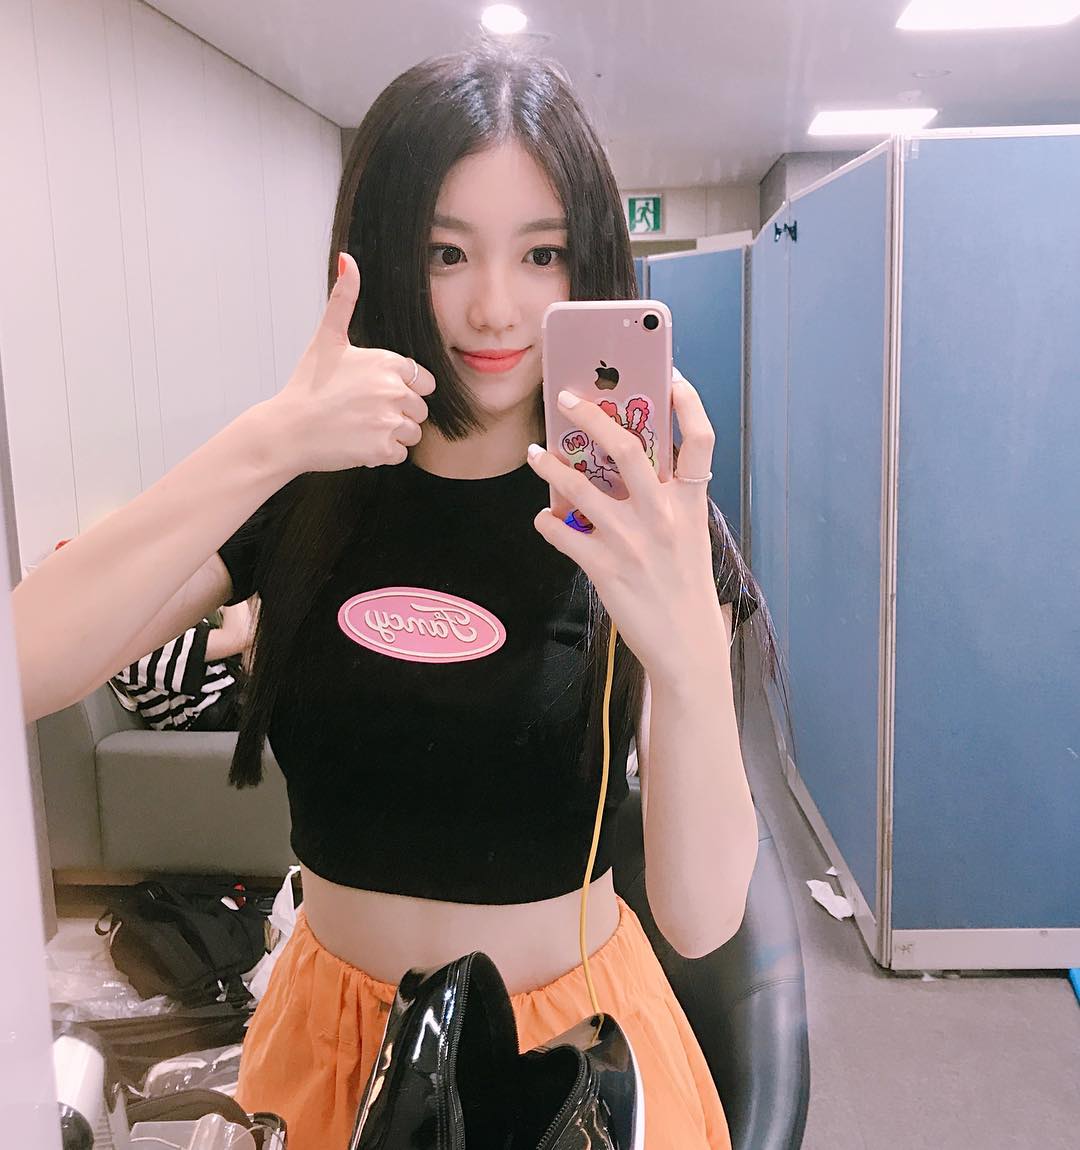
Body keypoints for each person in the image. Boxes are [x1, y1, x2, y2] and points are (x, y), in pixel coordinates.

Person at [12, 43, 785, 1150]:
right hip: (328, 1049)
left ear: (590, 263)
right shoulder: (316, 484)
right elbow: (26, 663)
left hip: (556, 1064)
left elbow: (703, 918)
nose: (494, 306)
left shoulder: (637, 514)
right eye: (444, 252)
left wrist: (688, 648)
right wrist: (268, 440)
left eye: (542, 253)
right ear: (376, 254)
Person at [109, 597, 257, 732]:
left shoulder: (159, 618)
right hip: (210, 720)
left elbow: (245, 649)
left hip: (232, 699)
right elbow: (238, 638)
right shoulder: (133, 645)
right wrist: (237, 585)